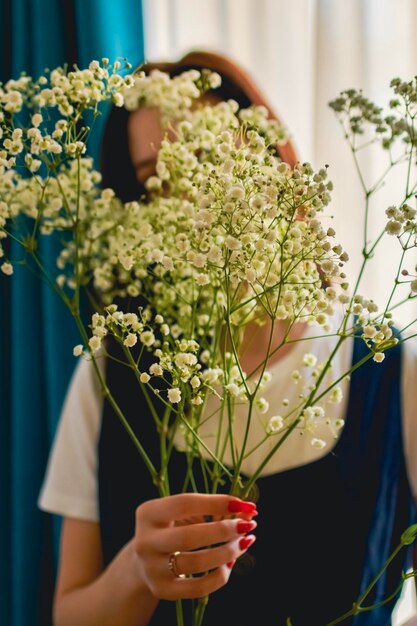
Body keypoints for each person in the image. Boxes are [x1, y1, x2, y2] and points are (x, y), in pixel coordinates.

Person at [38, 51, 417, 626]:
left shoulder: (386, 364)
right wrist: (137, 574)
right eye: (153, 179)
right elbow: (71, 615)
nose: (188, 193)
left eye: (208, 154)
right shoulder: (111, 373)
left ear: (270, 160)